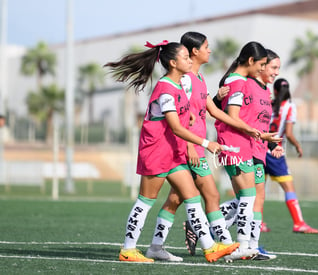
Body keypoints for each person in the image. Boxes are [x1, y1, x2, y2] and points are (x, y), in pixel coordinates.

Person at [104, 40, 240, 263]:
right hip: (156, 152)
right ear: (173, 63)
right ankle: (128, 249)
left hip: (173, 153)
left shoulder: (180, 85)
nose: (189, 61)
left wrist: (191, 116)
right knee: (145, 201)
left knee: (192, 197)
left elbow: (183, 115)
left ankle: (210, 248)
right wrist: (206, 144)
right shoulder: (166, 88)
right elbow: (175, 127)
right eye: (185, 57)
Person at [145, 32, 260, 262]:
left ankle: (156, 246)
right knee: (211, 194)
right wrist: (189, 146)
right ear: (194, 51)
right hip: (189, 149)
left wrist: (246, 128)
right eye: (207, 46)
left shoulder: (197, 78)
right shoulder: (185, 80)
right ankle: (227, 246)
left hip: (195, 148)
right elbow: (181, 116)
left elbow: (214, 111)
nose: (210, 50)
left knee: (176, 199)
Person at [213, 41, 279, 262]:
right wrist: (257, 133)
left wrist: (264, 138)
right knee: (248, 197)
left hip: (244, 143)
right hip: (235, 144)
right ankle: (239, 244)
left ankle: (247, 245)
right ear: (251, 61)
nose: (263, 69)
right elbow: (232, 117)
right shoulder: (238, 82)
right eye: (263, 65)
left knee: (250, 197)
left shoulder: (240, 81)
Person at [265, 78, 318, 234]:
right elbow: (288, 133)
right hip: (276, 152)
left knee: (259, 189)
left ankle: (259, 223)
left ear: (275, 91)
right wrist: (297, 145)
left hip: (261, 150)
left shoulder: (267, 104)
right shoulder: (289, 107)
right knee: (289, 187)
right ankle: (298, 223)